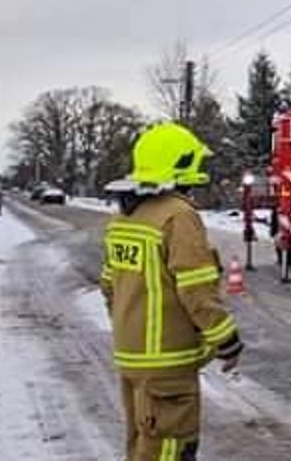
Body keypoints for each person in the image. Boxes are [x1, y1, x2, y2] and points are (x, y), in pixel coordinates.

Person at [100, 121, 242, 461]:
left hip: (133, 360)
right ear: (181, 164)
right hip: (167, 368)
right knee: (171, 450)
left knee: (143, 449)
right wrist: (226, 339)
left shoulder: (125, 219)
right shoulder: (177, 216)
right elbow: (197, 290)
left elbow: (109, 286)